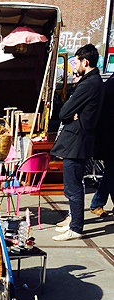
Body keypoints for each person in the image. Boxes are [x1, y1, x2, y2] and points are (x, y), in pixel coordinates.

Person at [51, 44, 104, 241]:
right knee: (73, 184)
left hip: (77, 141)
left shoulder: (88, 84)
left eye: (76, 62)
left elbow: (64, 112)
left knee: (73, 186)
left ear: (85, 62)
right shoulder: (94, 82)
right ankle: (74, 221)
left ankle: (76, 227)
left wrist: (72, 113)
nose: (74, 67)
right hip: (81, 138)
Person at [89, 73, 114, 218]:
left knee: (110, 172)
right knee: (111, 171)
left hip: (107, 138)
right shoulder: (111, 85)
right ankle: (97, 203)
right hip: (109, 138)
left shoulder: (109, 83)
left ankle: (97, 202)